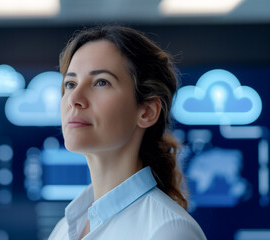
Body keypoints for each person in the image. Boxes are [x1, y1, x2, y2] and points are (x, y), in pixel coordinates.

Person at [48, 26, 207, 240]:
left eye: (101, 82)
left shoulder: (169, 231)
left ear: (147, 111)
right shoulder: (64, 229)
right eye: (70, 83)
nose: (74, 98)